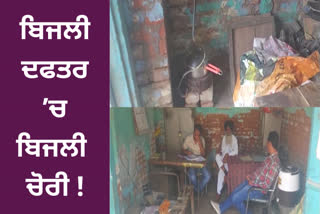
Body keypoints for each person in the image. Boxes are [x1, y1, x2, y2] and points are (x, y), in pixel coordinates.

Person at [210, 131, 281, 214]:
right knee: (235, 192)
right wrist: (251, 176)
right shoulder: (270, 158)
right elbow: (259, 172)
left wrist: (252, 181)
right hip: (254, 183)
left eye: (267, 142)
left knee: (235, 198)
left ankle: (223, 209)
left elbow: (266, 185)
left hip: (259, 189)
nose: (266, 144)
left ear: (269, 143)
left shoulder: (274, 163)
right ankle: (221, 208)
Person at [183, 124, 211, 192]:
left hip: (200, 162)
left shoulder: (202, 139)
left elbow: (203, 154)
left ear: (200, 134)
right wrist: (187, 152)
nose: (196, 136)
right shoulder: (188, 138)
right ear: (193, 132)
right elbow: (183, 149)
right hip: (191, 162)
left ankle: (197, 190)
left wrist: (200, 143)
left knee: (208, 176)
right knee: (192, 176)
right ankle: (198, 190)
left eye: (198, 135)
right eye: (195, 134)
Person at [215, 120, 238, 200]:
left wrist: (228, 155)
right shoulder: (224, 138)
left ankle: (218, 193)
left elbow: (236, 151)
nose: (228, 131)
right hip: (223, 161)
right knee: (217, 156)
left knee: (220, 174)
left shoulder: (234, 139)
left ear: (232, 130)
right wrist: (221, 153)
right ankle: (224, 171)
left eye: (229, 129)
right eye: (226, 129)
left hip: (229, 162)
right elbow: (222, 150)